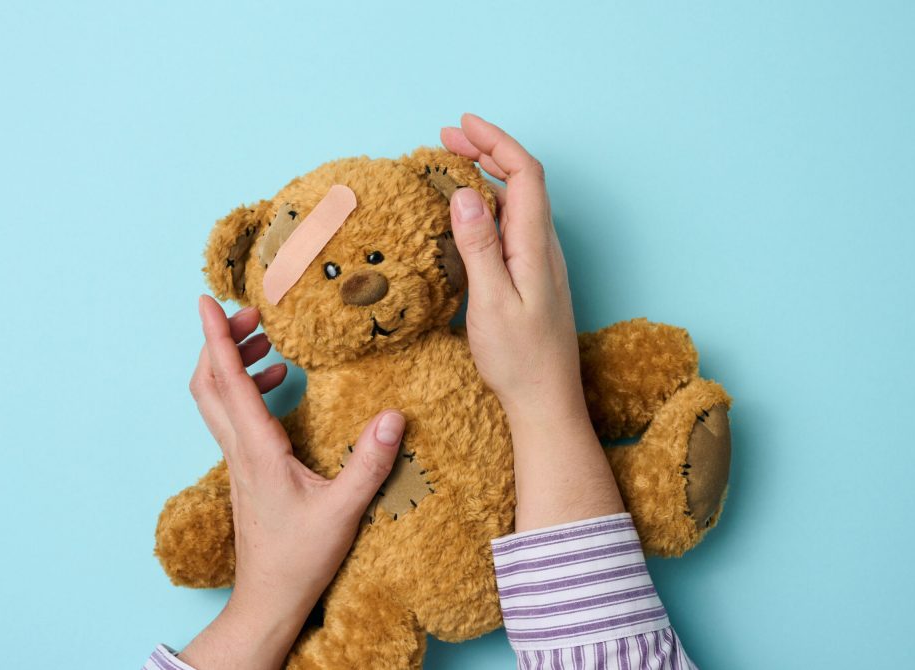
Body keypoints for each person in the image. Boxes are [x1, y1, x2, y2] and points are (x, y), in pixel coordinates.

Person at [144, 114, 697, 670]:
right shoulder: (304, 432)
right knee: (362, 637)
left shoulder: (477, 351)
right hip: (393, 594)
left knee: (630, 470)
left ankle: (667, 492)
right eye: (332, 271)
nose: (364, 284)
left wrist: (261, 607)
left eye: (376, 257)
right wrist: (546, 400)